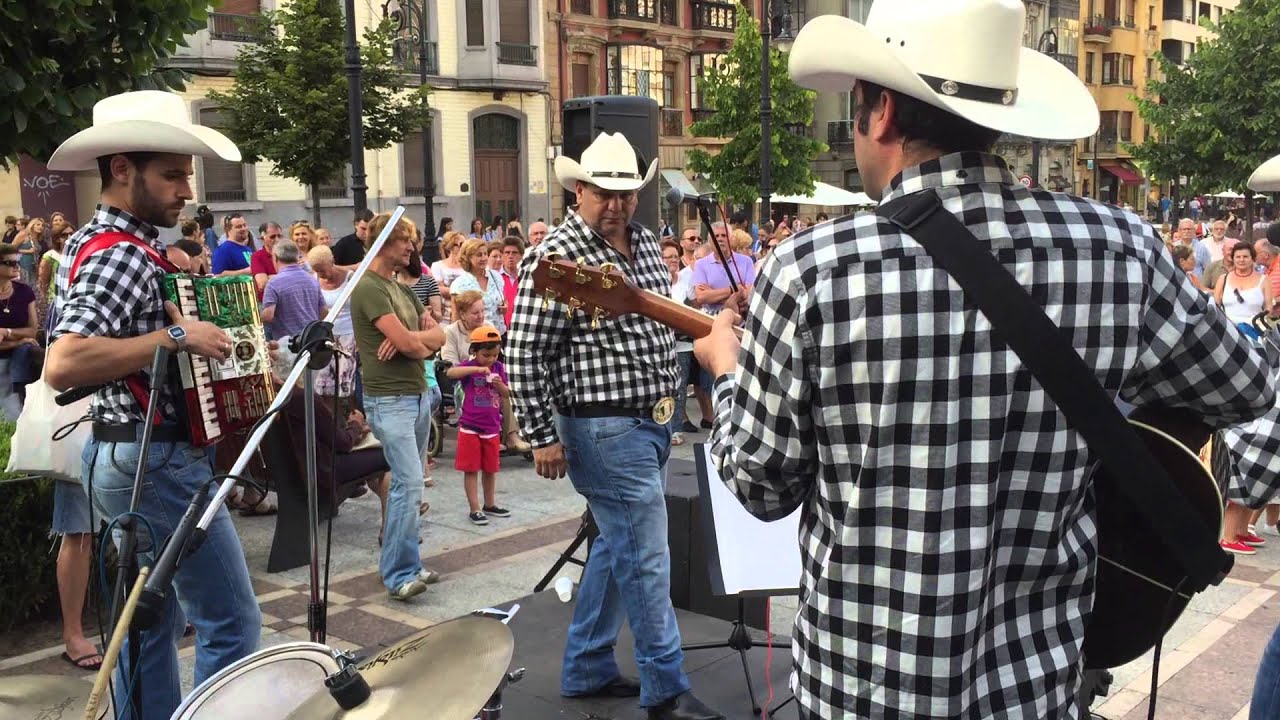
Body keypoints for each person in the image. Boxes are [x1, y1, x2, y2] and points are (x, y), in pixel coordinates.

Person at [693, 7, 1274, 720]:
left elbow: (760, 487)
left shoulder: (813, 269)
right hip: (1035, 685)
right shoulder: (1121, 248)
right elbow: (1246, 390)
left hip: (863, 688)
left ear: (879, 115)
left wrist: (726, 370)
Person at [43, 90, 260, 720]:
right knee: (231, 624)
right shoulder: (119, 254)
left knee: (148, 625)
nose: (185, 189)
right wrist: (176, 335)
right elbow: (65, 361)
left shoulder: (97, 241)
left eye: (186, 175)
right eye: (170, 175)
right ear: (120, 169)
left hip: (124, 452)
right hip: (156, 461)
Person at [507, 131, 724, 720]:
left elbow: (658, 325)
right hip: (603, 429)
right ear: (578, 190)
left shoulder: (650, 243)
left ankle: (586, 665)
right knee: (648, 558)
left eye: (627, 193)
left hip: (652, 424)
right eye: (604, 193)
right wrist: (540, 434)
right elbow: (524, 350)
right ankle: (666, 691)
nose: (617, 204)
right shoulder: (555, 257)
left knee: (613, 547)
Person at [349, 211, 445, 600]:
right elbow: (413, 344)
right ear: (386, 241)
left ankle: (411, 561)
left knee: (413, 482)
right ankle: (398, 572)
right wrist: (414, 341)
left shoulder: (402, 289)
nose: (412, 247)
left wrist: (416, 339)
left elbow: (440, 331)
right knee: (406, 483)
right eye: (406, 240)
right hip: (390, 400)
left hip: (417, 394)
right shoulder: (370, 288)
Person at [442, 290, 530, 454]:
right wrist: (474, 368)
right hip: (464, 380)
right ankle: (489, 435)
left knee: (506, 389)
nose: (481, 316)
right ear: (462, 314)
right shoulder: (451, 332)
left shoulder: (488, 327)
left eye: (483, 311)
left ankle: (511, 435)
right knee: (481, 394)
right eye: (475, 313)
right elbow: (450, 367)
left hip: (490, 375)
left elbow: (498, 357)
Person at [446, 325, 512, 525]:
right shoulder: (469, 367)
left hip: (492, 427)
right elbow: (451, 373)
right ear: (474, 351)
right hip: (470, 427)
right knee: (471, 469)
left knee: (491, 469)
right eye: (486, 355)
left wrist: (499, 384)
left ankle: (489, 503)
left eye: (494, 355)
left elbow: (507, 393)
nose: (490, 359)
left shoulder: (499, 368)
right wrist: (476, 368)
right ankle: (474, 507)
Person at [309, 245, 359, 408]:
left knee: (345, 383)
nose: (322, 275)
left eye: (324, 270)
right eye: (318, 272)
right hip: (325, 337)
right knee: (323, 385)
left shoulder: (350, 278)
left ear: (332, 261)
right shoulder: (314, 279)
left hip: (348, 335)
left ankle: (350, 419)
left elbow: (360, 308)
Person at [261, 240, 326, 341]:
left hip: (288, 344)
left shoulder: (273, 283)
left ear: (275, 257)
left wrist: (254, 316)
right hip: (312, 340)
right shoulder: (312, 279)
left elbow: (268, 315)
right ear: (297, 256)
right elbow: (323, 311)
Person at [451, 238, 507, 335]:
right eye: (479, 255)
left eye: (485, 254)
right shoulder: (459, 284)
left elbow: (504, 299)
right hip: (473, 337)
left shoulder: (496, 277)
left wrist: (505, 306)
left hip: (499, 334)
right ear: (468, 257)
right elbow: (456, 318)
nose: (484, 258)